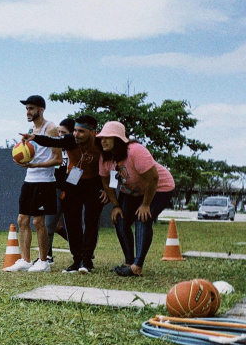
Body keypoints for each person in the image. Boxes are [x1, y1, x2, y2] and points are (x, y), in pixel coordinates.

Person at [22, 115, 103, 273]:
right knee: (72, 223)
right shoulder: (69, 140)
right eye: (75, 130)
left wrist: (107, 189)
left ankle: (86, 261)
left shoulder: (101, 143)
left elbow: (113, 165)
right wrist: (34, 137)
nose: (76, 134)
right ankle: (76, 260)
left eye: (81, 131)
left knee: (91, 222)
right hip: (73, 182)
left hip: (94, 183)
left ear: (93, 132)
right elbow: (53, 141)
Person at [97, 121, 176, 277]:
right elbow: (107, 182)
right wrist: (116, 206)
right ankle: (129, 262)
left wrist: (146, 205)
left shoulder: (136, 151)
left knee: (142, 218)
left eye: (108, 137)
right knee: (120, 219)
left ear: (118, 139)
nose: (103, 141)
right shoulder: (106, 158)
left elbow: (153, 178)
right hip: (132, 191)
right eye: (102, 138)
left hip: (160, 187)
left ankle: (137, 266)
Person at [4, 95, 61, 272]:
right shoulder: (31, 129)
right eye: (26, 108)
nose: (28, 112)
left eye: (31, 108)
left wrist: (35, 164)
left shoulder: (50, 128)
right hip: (29, 179)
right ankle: (25, 260)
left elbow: (57, 159)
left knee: (38, 222)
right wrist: (21, 156)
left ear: (41, 110)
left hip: (45, 181)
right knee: (22, 220)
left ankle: (43, 262)